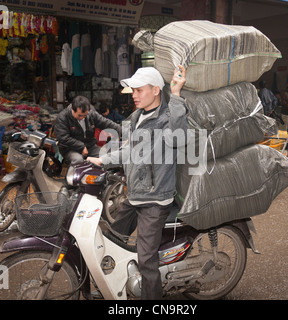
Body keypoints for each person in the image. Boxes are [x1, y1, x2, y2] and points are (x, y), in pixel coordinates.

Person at [87, 65, 188, 300]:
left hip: (155, 199)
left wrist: (176, 94)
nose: (134, 94)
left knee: (146, 259)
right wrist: (103, 160)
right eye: (133, 90)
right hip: (134, 195)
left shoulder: (167, 119)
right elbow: (130, 151)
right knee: (110, 239)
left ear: (155, 90)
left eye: (139, 90)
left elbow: (179, 135)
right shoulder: (136, 117)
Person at [54, 96, 121, 166]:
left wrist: (122, 130)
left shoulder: (90, 114)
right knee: (78, 160)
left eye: (84, 116)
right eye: (80, 116)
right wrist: (81, 147)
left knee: (105, 158)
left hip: (90, 146)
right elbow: (63, 138)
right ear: (72, 110)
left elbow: (106, 123)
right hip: (70, 149)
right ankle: (71, 177)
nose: (82, 118)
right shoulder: (62, 118)